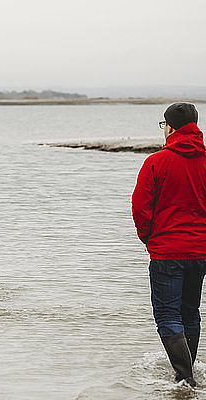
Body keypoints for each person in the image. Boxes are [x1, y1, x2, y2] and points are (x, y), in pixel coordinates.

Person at [132, 103, 206, 387]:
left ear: (171, 127)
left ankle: (185, 378)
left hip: (167, 252)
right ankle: (189, 373)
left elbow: (140, 207)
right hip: (200, 252)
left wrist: (148, 238)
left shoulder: (156, 162)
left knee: (167, 314)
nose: (163, 130)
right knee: (190, 311)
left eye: (164, 125)